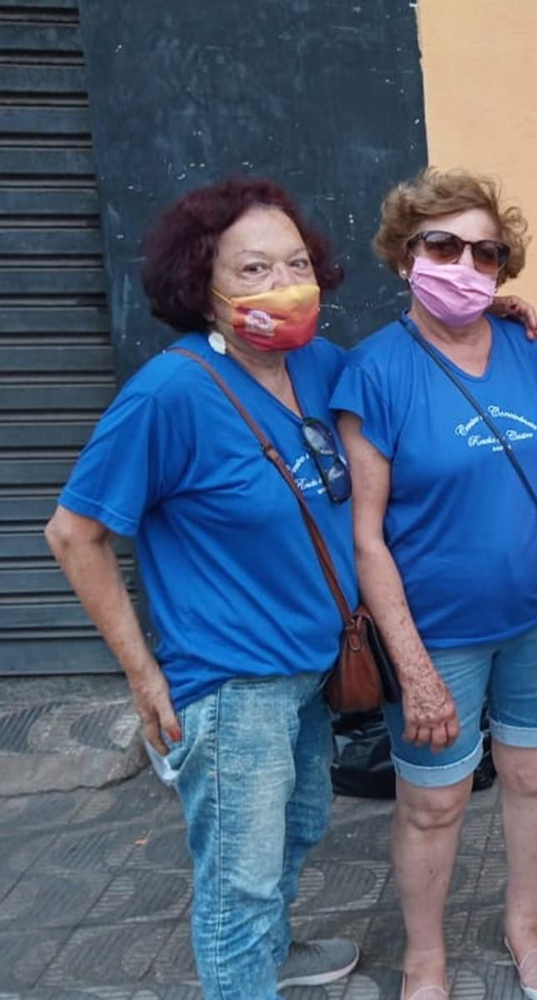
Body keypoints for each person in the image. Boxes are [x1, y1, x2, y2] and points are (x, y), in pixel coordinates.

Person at [43, 178, 362, 998]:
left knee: (296, 831)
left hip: (308, 670)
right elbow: (74, 533)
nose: (282, 283)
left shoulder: (315, 363)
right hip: (229, 685)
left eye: (296, 262)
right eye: (252, 269)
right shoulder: (169, 393)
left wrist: (502, 322)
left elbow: (411, 376)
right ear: (201, 283)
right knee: (238, 881)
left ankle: (271, 956)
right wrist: (144, 676)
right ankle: (242, 977)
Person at [330, 169, 537, 1000]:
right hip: (435, 628)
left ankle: (525, 923)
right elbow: (366, 536)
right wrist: (417, 666)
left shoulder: (536, 351)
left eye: (486, 251)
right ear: (407, 255)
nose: (464, 264)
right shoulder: (374, 371)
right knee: (433, 802)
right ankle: (425, 955)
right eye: (443, 245)